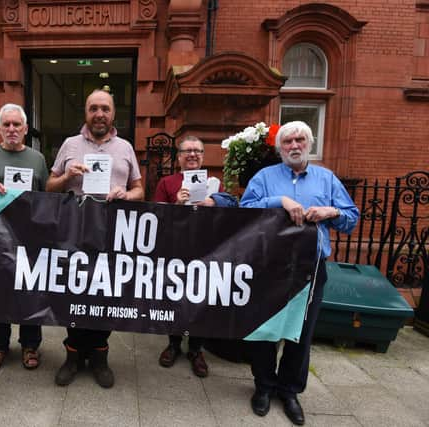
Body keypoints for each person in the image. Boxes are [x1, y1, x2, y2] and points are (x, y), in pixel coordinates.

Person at [240, 121, 359, 425]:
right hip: (271, 267)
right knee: (264, 329)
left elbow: (351, 217)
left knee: (301, 333)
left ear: (309, 143)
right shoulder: (265, 178)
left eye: (300, 140)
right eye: (288, 141)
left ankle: (289, 390)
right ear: (280, 148)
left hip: (311, 268)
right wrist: (279, 201)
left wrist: (331, 212)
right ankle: (264, 386)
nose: (294, 145)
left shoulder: (326, 179)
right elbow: (244, 210)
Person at [46, 89, 144, 388]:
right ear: (86, 113)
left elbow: (140, 189)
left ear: (113, 113)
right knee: (73, 293)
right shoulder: (70, 144)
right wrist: (66, 178)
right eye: (93, 108)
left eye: (104, 108)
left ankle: (100, 356)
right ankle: (73, 355)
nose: (99, 114)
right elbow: (49, 187)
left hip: (114, 233)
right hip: (74, 231)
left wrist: (127, 194)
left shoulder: (125, 147)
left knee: (108, 294)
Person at [154, 135, 237, 377]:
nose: (192, 155)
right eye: (187, 151)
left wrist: (214, 201)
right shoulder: (167, 182)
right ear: (178, 156)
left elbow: (231, 206)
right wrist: (176, 207)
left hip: (205, 251)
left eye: (197, 151)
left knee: (200, 299)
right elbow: (155, 215)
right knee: (175, 297)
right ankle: (173, 344)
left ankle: (196, 349)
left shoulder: (214, 183)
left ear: (202, 155)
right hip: (176, 249)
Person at [0, 103, 49, 371]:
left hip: (29, 238)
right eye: (6, 124)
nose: (12, 129)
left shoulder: (37, 159)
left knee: (30, 289)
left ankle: (31, 344)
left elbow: (46, 198)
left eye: (17, 124)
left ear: (26, 129)